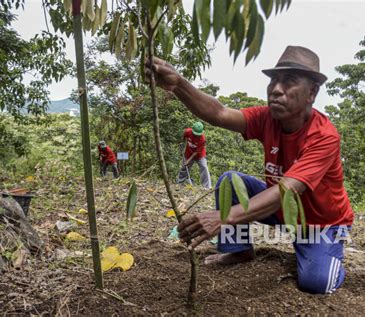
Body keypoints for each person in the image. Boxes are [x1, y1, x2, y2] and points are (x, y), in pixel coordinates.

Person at [145, 46, 354, 294]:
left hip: (319, 224)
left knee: (316, 283)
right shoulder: (267, 118)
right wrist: (178, 84)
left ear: (312, 92)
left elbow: (288, 190)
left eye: (288, 82)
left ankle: (324, 252)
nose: (276, 89)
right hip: (282, 212)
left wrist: (224, 217)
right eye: (274, 80)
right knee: (231, 182)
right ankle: (239, 251)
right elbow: (220, 113)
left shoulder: (324, 136)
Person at [176, 121, 212, 189]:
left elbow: (196, 152)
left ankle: (207, 187)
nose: (196, 135)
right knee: (184, 167)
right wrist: (181, 143)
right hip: (188, 152)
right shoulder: (187, 131)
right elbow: (183, 137)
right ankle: (179, 182)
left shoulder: (202, 139)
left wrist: (188, 160)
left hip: (200, 155)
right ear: (192, 130)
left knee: (204, 167)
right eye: (195, 134)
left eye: (198, 134)